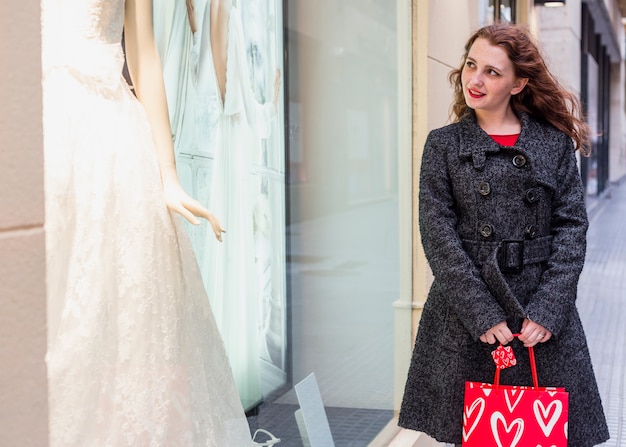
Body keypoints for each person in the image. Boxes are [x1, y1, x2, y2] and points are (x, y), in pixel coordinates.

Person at [41, 0, 255, 445]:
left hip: (107, 139)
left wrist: (169, 175)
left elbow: (144, 52)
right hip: (36, 129)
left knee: (119, 318)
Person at [397, 23, 609, 447]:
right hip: (468, 312)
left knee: (545, 431)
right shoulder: (443, 145)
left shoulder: (553, 144)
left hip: (540, 313)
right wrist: (482, 313)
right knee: (474, 433)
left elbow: (571, 228)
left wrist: (549, 308)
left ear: (519, 83)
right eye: (471, 65)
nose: (474, 80)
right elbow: (436, 231)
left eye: (493, 72)